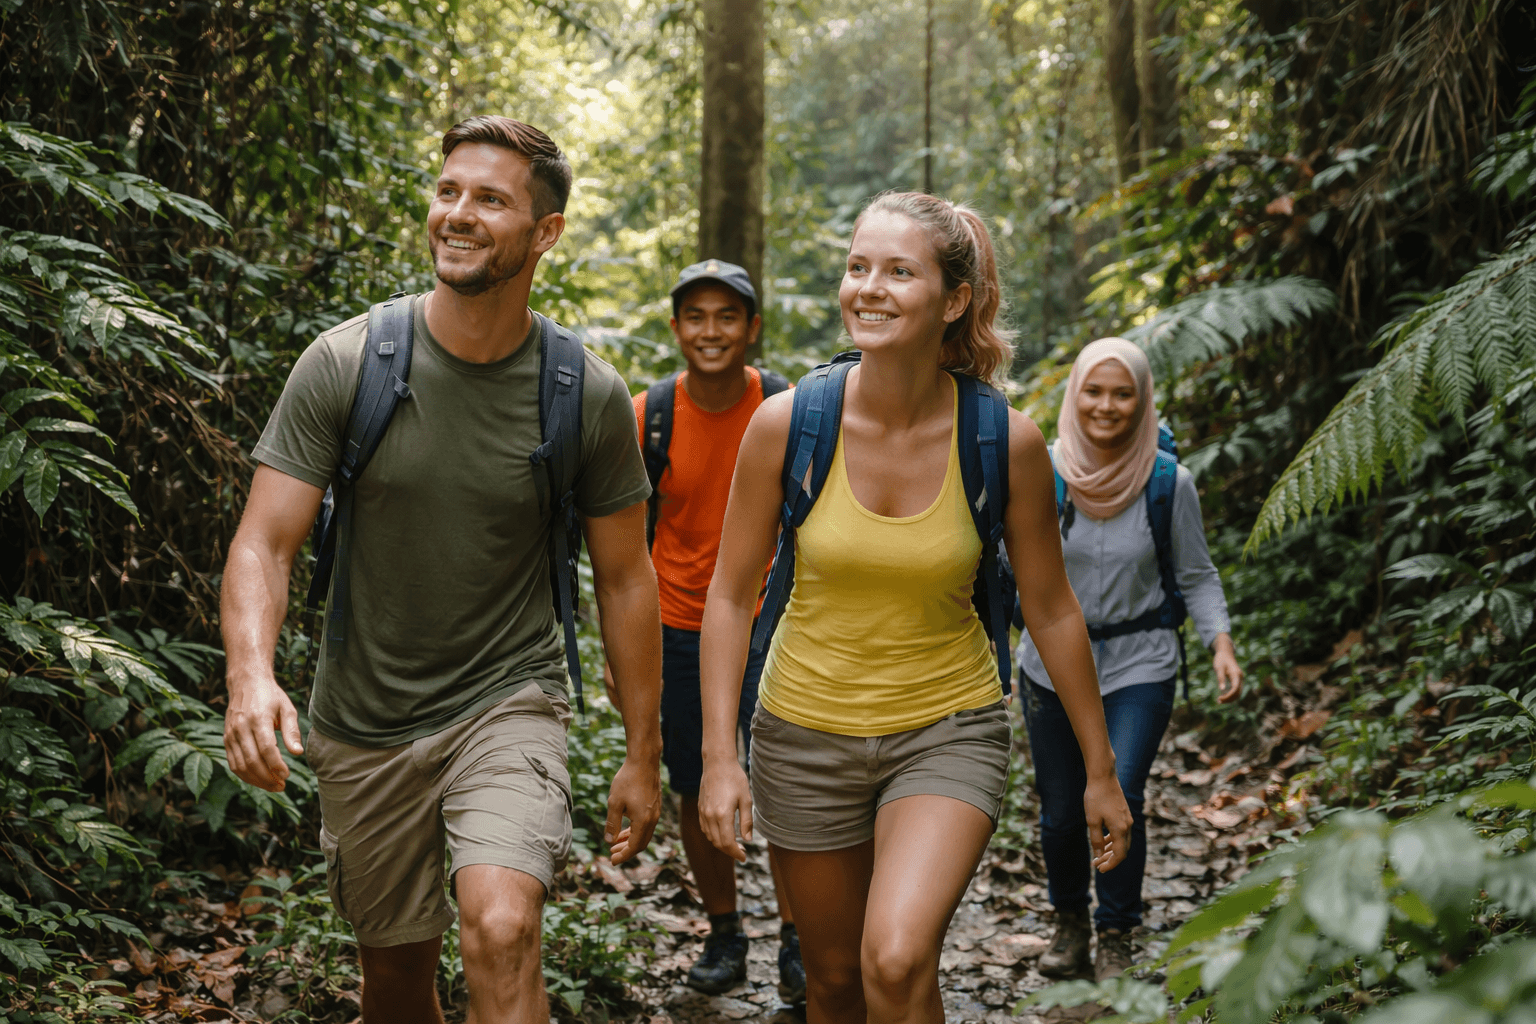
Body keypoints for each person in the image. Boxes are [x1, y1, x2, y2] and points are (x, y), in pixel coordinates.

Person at [220, 115, 663, 1024]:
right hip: (366, 719)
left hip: (509, 698)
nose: (457, 215)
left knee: (502, 929)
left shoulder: (588, 395)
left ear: (545, 233)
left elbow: (625, 579)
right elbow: (265, 540)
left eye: (490, 200)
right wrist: (250, 675)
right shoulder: (347, 363)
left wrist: (643, 751)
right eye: (448, 191)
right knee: (393, 984)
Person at [694, 191, 1134, 1024]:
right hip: (803, 730)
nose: (871, 287)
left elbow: (1052, 609)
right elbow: (728, 595)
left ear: (954, 299)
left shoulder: (1004, 440)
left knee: (894, 959)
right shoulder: (787, 426)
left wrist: (1100, 773)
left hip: (946, 729)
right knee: (833, 983)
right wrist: (722, 756)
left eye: (900, 271)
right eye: (859, 267)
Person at [1021, 337, 1245, 981]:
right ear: (1074, 395)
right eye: (1094, 390)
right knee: (1063, 808)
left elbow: (1198, 574)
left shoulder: (1170, 483)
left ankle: (1116, 932)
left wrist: (1219, 642)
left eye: (1123, 394)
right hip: (1049, 666)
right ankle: (1068, 922)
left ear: (1143, 400)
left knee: (1120, 791)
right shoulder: (1043, 471)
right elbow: (1005, 568)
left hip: (1139, 664)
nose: (1107, 406)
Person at [619, 259, 806, 1001]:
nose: (711, 331)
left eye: (727, 316)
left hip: (778, 622)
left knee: (790, 782)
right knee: (698, 781)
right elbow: (623, 544)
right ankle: (725, 932)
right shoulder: (648, 415)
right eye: (695, 316)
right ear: (676, 329)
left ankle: (798, 938)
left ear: (752, 329)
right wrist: (626, 654)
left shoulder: (790, 407)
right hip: (677, 627)